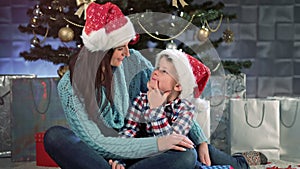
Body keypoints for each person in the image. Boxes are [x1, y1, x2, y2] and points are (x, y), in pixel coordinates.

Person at [43, 2, 204, 169]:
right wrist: (158, 143)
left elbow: (170, 95)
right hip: (96, 155)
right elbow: (96, 142)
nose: (127, 53)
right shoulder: (69, 87)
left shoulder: (132, 61)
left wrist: (200, 139)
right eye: (121, 48)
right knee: (55, 137)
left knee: (186, 155)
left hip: (134, 148)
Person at [112, 49, 268, 169]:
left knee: (208, 156)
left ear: (178, 86)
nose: (155, 72)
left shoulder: (185, 109)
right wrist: (119, 158)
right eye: (157, 68)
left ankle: (242, 160)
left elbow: (168, 142)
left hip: (178, 148)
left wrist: (155, 109)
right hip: (150, 153)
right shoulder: (141, 99)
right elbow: (128, 132)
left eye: (164, 71)